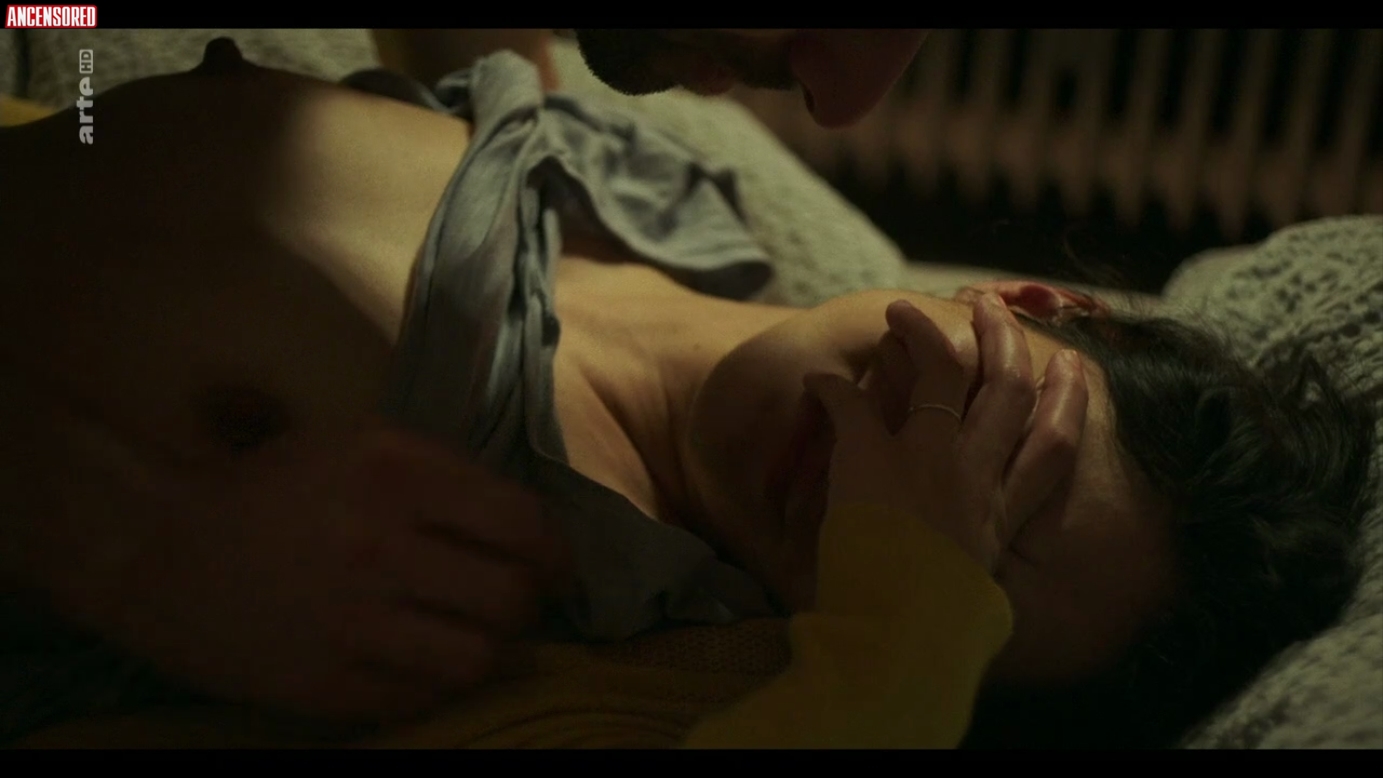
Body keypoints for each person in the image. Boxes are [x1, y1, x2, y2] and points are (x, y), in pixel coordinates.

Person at [0, 42, 1372, 747]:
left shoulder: (569, 624)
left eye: (942, 565)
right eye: (984, 451)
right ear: (1028, 303)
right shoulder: (659, 194)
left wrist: (115, 544)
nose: (866, 496)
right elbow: (67, 53)